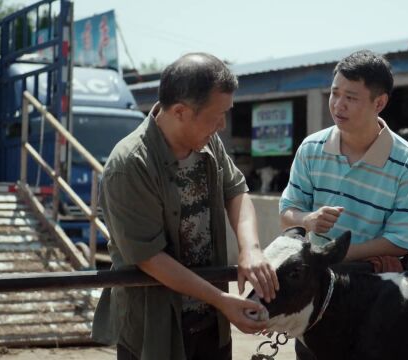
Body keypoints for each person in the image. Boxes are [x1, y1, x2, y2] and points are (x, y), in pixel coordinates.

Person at [91, 53, 279, 360]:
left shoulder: (207, 141)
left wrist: (251, 248)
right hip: (155, 330)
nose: (222, 125)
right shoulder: (129, 164)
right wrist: (222, 300)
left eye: (225, 113)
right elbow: (149, 258)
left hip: (210, 323)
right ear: (179, 111)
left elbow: (236, 190)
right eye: (215, 116)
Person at [278, 50, 408, 360]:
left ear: (380, 103)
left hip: (377, 303)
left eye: (350, 97)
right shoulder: (311, 148)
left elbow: (402, 240)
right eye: (334, 93)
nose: (338, 104)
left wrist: (337, 255)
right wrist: (307, 220)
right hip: (318, 302)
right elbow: (288, 211)